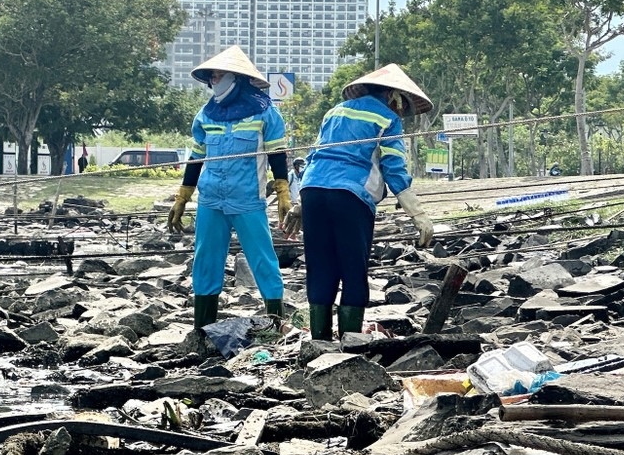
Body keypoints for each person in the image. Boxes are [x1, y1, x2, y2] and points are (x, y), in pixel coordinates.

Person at [282, 64, 436, 342]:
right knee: (353, 269)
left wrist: (300, 203)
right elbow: (394, 167)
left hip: (313, 191)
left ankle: (319, 341)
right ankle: (350, 344)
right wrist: (418, 213)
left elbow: (315, 156)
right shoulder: (387, 118)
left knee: (320, 266)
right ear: (393, 96)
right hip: (351, 197)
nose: (401, 110)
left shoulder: (335, 112)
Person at [167, 46, 292, 329]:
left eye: (219, 74)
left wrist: (284, 193)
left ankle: (275, 324)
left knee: (262, 260)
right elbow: (196, 157)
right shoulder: (206, 114)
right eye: (211, 76)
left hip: (248, 198)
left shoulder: (265, 113)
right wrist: (183, 197)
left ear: (236, 77)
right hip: (211, 199)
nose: (214, 80)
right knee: (205, 261)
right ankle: (202, 329)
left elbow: (277, 155)